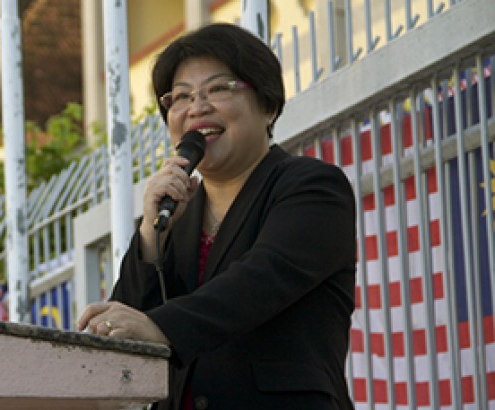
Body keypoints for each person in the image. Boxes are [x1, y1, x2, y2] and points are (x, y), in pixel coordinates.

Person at [77, 23, 356, 410]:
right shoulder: (176, 214)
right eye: (180, 97)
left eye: (218, 89)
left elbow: (260, 282)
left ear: (268, 104)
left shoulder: (311, 188)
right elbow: (130, 326)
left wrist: (162, 327)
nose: (196, 107)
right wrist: (148, 237)